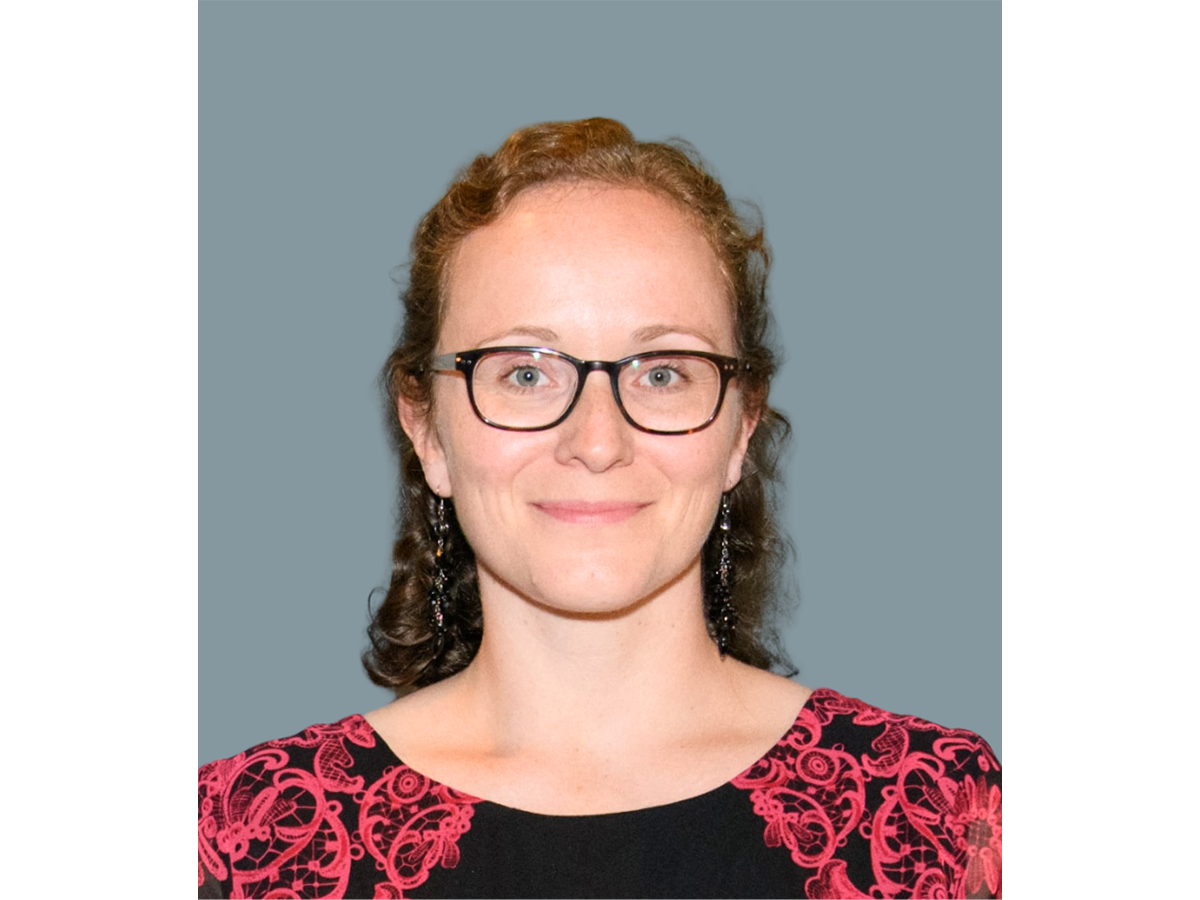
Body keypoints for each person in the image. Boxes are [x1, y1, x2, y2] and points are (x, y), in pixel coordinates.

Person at [198, 118, 1001, 899]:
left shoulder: (945, 819)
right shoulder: (245, 844)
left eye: (662, 373)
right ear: (426, 431)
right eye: (523, 373)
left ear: (738, 429)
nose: (596, 439)